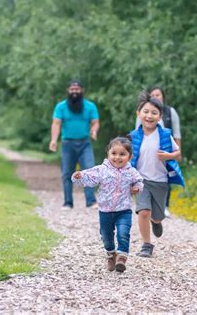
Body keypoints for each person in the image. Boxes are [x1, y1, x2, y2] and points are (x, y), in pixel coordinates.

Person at [72, 137, 143, 272]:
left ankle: (121, 257)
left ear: (129, 156)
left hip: (124, 209)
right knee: (106, 236)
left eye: (122, 154)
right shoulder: (102, 170)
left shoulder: (131, 171)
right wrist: (79, 176)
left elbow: (139, 181)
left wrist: (137, 188)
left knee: (123, 233)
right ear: (108, 154)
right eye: (114, 153)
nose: (117, 157)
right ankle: (111, 255)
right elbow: (90, 178)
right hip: (105, 210)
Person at [130, 92, 185, 258]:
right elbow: (126, 158)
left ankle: (157, 222)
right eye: (145, 112)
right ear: (138, 114)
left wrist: (168, 156)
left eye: (154, 113)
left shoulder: (165, 135)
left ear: (160, 116)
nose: (149, 116)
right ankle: (146, 245)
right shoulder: (133, 137)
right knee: (143, 211)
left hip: (161, 181)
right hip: (141, 181)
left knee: (157, 215)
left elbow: (178, 152)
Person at [49, 79, 100, 210]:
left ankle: (91, 201)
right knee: (66, 172)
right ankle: (68, 202)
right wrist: (54, 140)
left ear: (82, 91)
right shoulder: (61, 107)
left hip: (85, 143)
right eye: (72, 89)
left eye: (77, 89)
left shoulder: (90, 106)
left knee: (89, 171)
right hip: (67, 144)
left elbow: (95, 122)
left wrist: (94, 131)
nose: (74, 92)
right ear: (68, 91)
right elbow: (56, 123)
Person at [135, 86, 181, 217]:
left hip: (165, 152)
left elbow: (177, 133)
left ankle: (163, 207)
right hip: (143, 165)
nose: (156, 97)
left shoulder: (170, 112)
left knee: (166, 176)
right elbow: (137, 132)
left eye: (158, 95)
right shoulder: (144, 111)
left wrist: (175, 153)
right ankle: (145, 210)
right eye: (153, 95)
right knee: (143, 211)